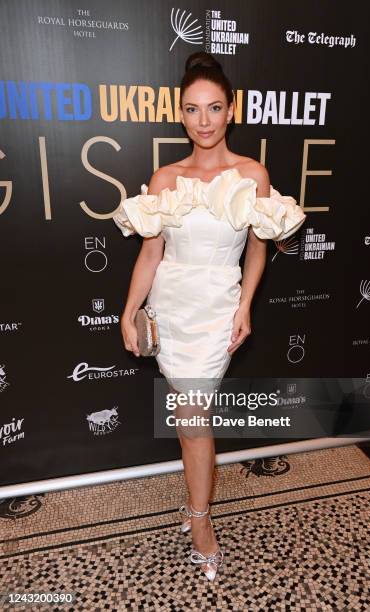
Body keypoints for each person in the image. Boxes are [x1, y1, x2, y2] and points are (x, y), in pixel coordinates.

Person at [113, 51, 306, 582]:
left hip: (216, 308)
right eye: (193, 109)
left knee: (194, 423)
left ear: (231, 111)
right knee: (188, 421)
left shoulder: (251, 175)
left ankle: (200, 521)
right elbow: (150, 253)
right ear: (181, 113)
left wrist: (245, 304)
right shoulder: (164, 178)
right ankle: (197, 505)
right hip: (170, 308)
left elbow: (258, 247)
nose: (204, 120)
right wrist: (130, 312)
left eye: (214, 108)